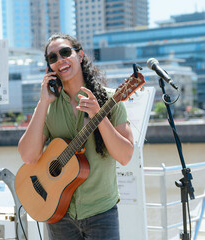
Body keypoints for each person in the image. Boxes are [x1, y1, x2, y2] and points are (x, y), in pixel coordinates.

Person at [17, 33, 134, 240]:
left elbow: (125, 156)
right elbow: (28, 156)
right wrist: (43, 102)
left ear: (80, 56)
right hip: (59, 214)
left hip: (101, 213)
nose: (60, 60)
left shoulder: (111, 99)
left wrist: (100, 117)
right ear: (49, 68)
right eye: (52, 58)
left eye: (65, 52)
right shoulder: (49, 107)